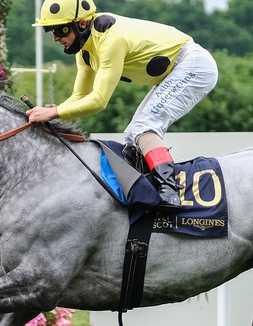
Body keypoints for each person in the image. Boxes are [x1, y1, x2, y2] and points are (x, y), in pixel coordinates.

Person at [28, 0, 218, 211]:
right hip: (178, 69)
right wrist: (48, 114)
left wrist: (53, 112)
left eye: (59, 30)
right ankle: (146, 190)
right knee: (132, 136)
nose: (55, 38)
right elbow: (80, 96)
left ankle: (169, 192)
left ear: (81, 24)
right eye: (50, 31)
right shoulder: (85, 51)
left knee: (144, 128)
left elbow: (99, 101)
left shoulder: (111, 40)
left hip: (194, 65)